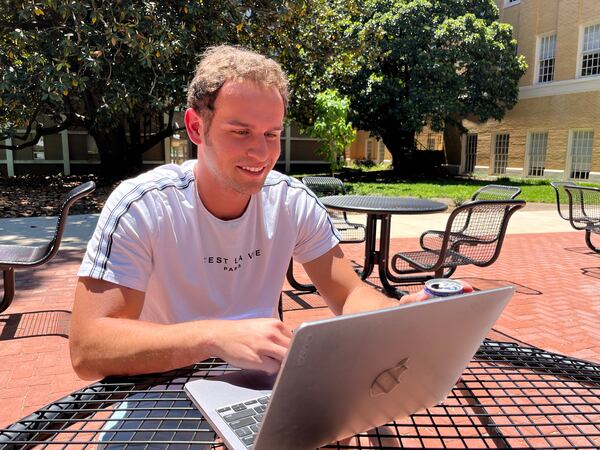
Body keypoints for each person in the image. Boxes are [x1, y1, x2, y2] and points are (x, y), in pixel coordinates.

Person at [69, 45, 466, 380]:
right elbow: (88, 348)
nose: (261, 153)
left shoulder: (290, 200)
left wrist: (400, 315)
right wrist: (215, 337)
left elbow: (348, 296)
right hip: (158, 386)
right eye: (240, 132)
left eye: (271, 134)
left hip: (257, 384)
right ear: (195, 127)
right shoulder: (143, 205)